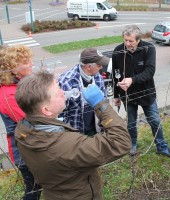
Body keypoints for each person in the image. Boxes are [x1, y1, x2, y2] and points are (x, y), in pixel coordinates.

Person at [14, 71, 131, 200]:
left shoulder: (23, 129)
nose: (63, 92)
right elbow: (121, 142)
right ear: (46, 110)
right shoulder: (66, 146)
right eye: (57, 92)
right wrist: (101, 105)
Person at [112, 24, 170, 158]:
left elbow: (150, 72)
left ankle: (161, 146)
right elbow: (115, 75)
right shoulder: (118, 51)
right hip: (128, 95)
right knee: (131, 122)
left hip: (146, 93)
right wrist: (116, 95)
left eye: (131, 41)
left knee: (154, 121)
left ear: (138, 40)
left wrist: (131, 80)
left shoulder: (148, 48)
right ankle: (133, 145)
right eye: (125, 40)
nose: (127, 44)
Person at [0, 45, 42, 199]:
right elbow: (31, 119)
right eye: (25, 61)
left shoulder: (19, 85)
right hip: (24, 151)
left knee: (37, 187)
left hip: (32, 145)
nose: (31, 63)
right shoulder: (9, 93)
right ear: (13, 68)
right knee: (33, 190)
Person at [59, 48, 110, 136]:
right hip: (75, 134)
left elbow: (105, 102)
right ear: (89, 66)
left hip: (96, 130)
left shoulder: (97, 77)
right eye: (99, 65)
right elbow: (61, 114)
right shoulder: (67, 82)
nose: (102, 67)